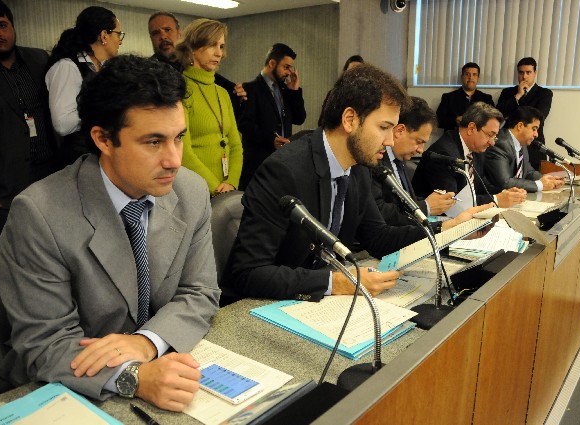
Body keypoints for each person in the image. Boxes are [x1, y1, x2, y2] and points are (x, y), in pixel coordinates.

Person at [0, 55, 220, 412]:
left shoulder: (190, 191)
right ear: (103, 139)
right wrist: (134, 376)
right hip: (69, 390)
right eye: (153, 142)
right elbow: (46, 343)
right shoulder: (39, 213)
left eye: (178, 137)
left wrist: (146, 342)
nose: (174, 160)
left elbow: (201, 291)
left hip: (161, 360)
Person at [223, 64, 492, 301]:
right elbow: (248, 273)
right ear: (350, 120)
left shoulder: (359, 168)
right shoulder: (284, 170)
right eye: (384, 127)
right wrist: (335, 283)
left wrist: (447, 229)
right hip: (271, 303)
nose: (390, 141)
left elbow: (379, 238)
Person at [0, 0, 56, 250]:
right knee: (4, 253)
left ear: (13, 27)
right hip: (2, 186)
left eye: (2, 25)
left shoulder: (39, 60)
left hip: (48, 174)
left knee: (48, 248)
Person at [45, 6, 123, 167]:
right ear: (104, 35)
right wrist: (104, 109)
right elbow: (63, 124)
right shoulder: (67, 66)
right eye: (118, 34)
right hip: (77, 159)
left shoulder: (103, 68)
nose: (120, 41)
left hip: (98, 155)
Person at [412, 101, 527, 208]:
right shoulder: (444, 152)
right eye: (490, 135)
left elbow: (480, 184)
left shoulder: (476, 149)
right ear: (471, 128)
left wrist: (505, 193)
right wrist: (496, 199)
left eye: (494, 137)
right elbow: (453, 202)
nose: (492, 142)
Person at [175, 18, 243, 196]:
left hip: (226, 190)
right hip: (195, 190)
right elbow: (183, 152)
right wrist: (216, 188)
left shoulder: (223, 93)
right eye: (213, 45)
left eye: (221, 46)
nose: (219, 53)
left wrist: (231, 182)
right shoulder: (180, 90)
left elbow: (236, 145)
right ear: (192, 48)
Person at [371, 96, 459, 226]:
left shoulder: (400, 159)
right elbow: (379, 213)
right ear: (400, 131)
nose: (421, 150)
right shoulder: (374, 160)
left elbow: (406, 200)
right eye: (419, 142)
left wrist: (435, 203)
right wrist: (426, 207)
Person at [147, 11, 246, 115]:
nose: (163, 36)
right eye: (155, 33)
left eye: (167, 30)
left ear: (179, 33)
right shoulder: (145, 74)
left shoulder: (198, 69)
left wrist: (237, 94)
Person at [238, 43, 307, 189]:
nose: (289, 72)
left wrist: (294, 91)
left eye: (290, 68)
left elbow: (299, 118)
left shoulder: (285, 90)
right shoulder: (249, 89)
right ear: (272, 63)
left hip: (282, 165)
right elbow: (245, 125)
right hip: (257, 167)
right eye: (286, 67)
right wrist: (271, 140)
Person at [485, 106, 564, 193]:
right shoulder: (501, 144)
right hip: (495, 197)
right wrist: (540, 185)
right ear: (520, 126)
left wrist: (546, 179)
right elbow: (505, 182)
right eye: (534, 129)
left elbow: (528, 172)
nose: (536, 134)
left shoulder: (522, 144)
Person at [496, 57, 553, 171]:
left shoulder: (544, 93)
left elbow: (539, 117)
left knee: (535, 177)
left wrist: (511, 116)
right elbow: (498, 115)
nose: (524, 76)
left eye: (528, 72)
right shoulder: (507, 92)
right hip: (508, 146)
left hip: (533, 147)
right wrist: (518, 96)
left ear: (535, 73)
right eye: (521, 72)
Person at [436, 62, 495, 130]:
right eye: (467, 74)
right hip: (454, 135)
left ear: (478, 78)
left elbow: (493, 120)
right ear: (462, 77)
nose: (470, 77)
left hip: (478, 135)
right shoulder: (448, 97)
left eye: (474, 74)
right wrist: (455, 120)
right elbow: (438, 120)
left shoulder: (486, 99)